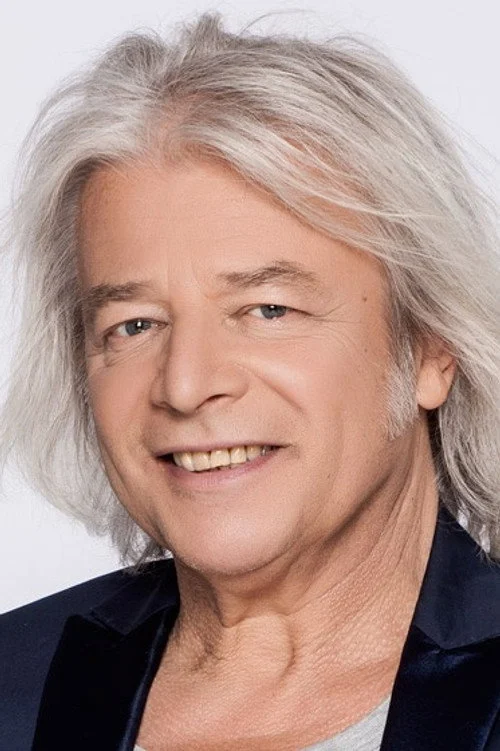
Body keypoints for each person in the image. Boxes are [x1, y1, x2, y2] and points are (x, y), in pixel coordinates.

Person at [1, 12, 499, 751]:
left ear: (430, 346)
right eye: (134, 324)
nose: (185, 384)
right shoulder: (15, 682)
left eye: (268, 309)